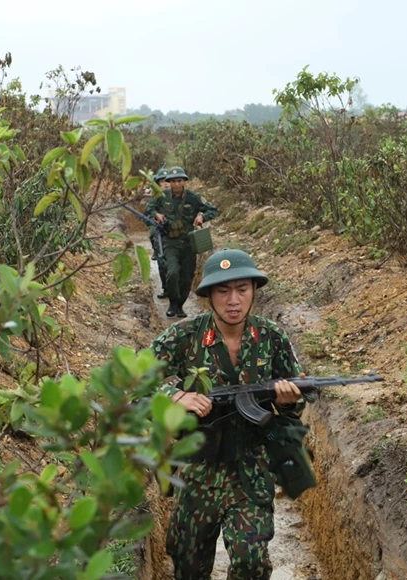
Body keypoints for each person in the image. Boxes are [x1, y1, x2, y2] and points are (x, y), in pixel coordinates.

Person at [150, 249, 305, 580]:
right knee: (188, 566)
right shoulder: (184, 336)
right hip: (196, 472)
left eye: (242, 289)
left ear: (253, 290)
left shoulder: (272, 337)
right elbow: (132, 381)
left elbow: (296, 399)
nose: (233, 300)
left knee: (252, 564)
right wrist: (173, 395)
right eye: (223, 291)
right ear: (208, 295)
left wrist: (289, 401)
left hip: (251, 471)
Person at [144, 166, 218, 318]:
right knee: (172, 272)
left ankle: (180, 306)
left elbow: (212, 209)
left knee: (186, 277)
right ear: (168, 182)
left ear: (184, 181)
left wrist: (202, 217)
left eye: (179, 181)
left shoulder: (192, 197)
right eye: (172, 181)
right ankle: (172, 303)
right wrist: (156, 214)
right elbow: (148, 209)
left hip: (188, 243)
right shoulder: (162, 196)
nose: (176, 184)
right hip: (169, 243)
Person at [145, 166, 170, 299]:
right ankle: (166, 288)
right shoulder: (155, 198)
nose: (166, 183)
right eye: (162, 181)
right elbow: (147, 215)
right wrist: (156, 217)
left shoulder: (181, 195)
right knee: (162, 263)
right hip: (160, 234)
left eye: (168, 180)